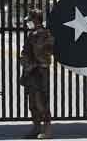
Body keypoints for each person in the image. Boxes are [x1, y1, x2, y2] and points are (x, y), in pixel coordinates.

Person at [19, 8, 54, 139]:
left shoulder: (45, 34)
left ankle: (47, 130)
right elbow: (26, 51)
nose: (28, 23)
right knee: (32, 102)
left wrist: (35, 63)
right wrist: (25, 62)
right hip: (30, 71)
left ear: (35, 20)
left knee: (41, 101)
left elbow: (47, 53)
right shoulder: (32, 34)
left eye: (30, 20)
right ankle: (36, 127)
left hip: (39, 71)